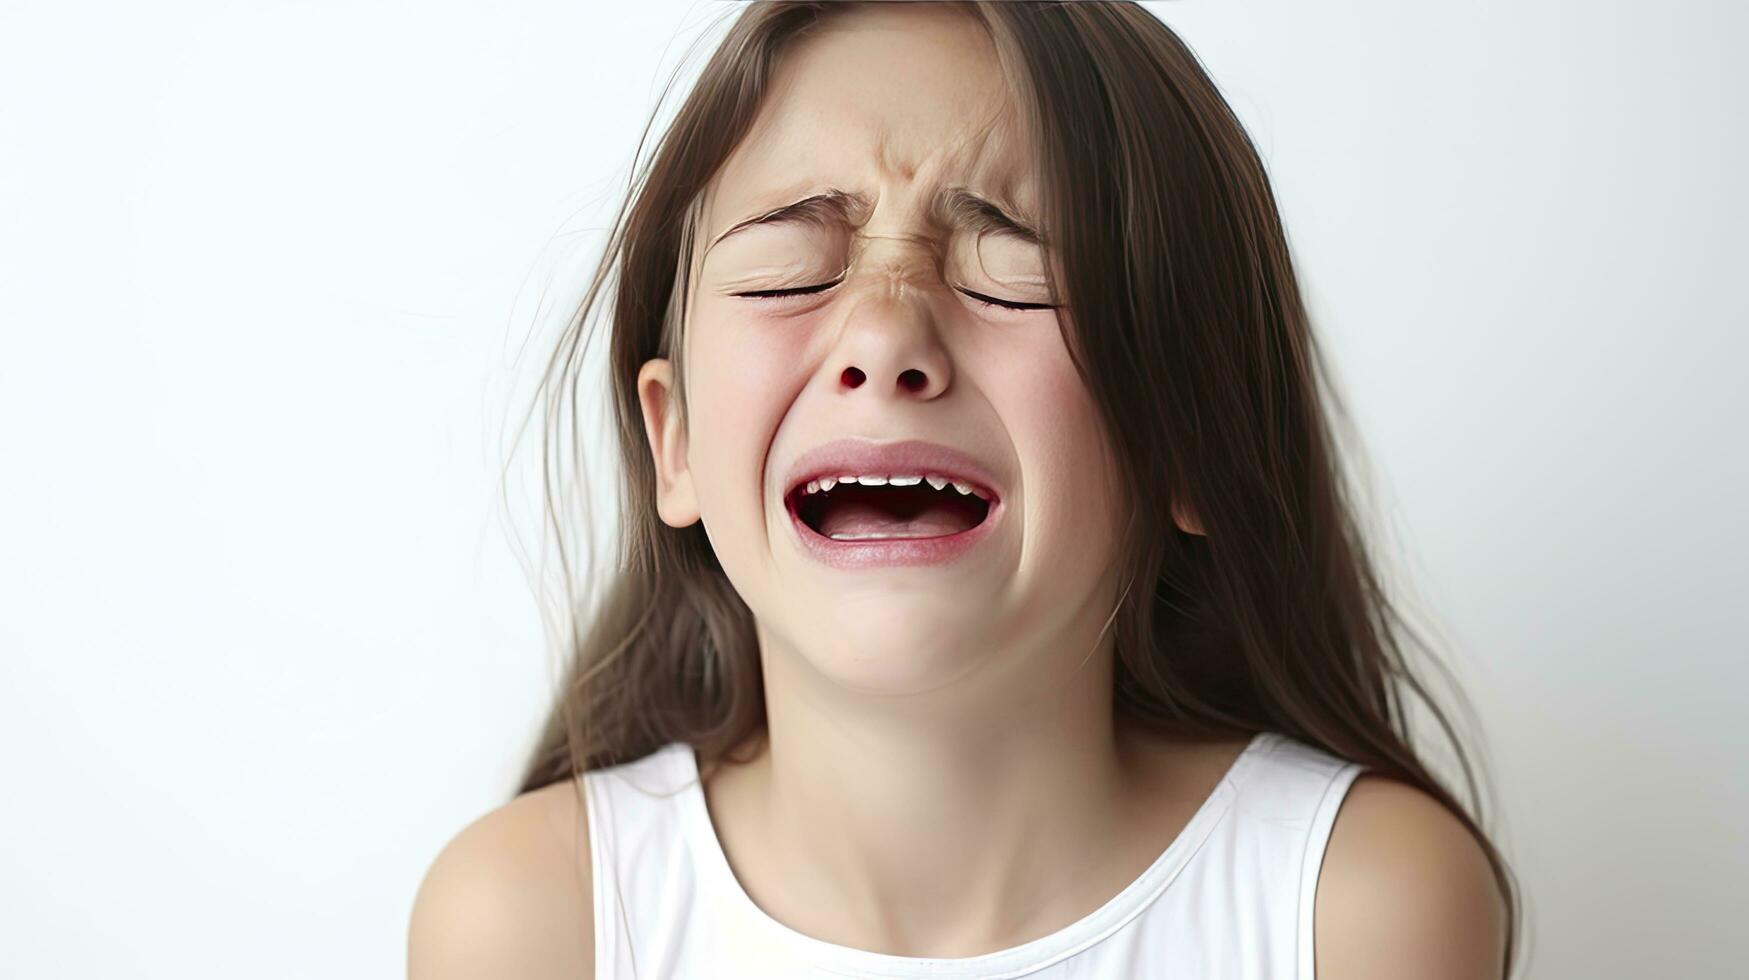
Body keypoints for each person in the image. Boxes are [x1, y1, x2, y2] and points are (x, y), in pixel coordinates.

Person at [409, 2, 1521, 977]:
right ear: (677, 440)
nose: (886, 333)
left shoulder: (1354, 907)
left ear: (1192, 435)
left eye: (1015, 268)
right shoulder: (532, 921)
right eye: (791, 267)